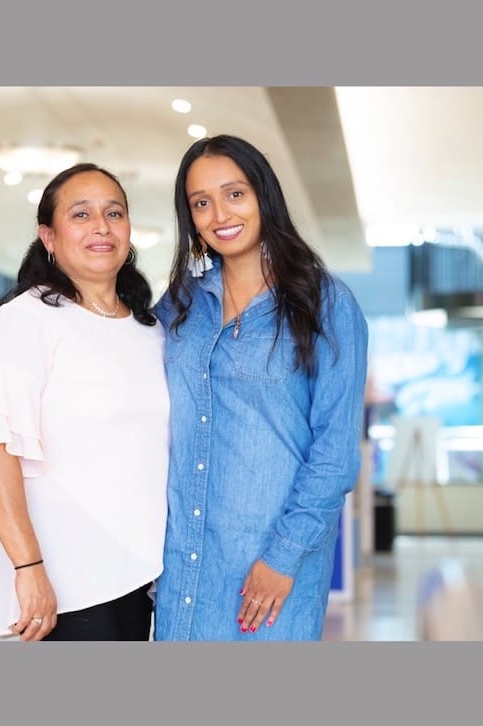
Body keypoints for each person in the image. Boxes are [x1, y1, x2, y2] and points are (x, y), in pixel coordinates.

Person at [153, 135, 369, 640]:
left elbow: (335, 453)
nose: (218, 214)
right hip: (181, 565)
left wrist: (283, 556)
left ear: (263, 196)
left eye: (235, 194)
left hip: (269, 573)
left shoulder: (326, 304)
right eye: (200, 203)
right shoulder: (182, 304)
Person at [0, 163, 169, 641]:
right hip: (64, 579)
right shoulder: (26, 319)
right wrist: (28, 567)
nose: (101, 227)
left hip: (143, 576)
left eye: (114, 213)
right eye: (81, 214)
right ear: (48, 236)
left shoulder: (151, 330)